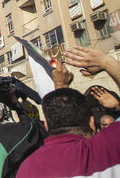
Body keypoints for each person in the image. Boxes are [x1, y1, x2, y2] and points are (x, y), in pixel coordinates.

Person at [16, 47, 120, 178]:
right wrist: (106, 62)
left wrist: (60, 86)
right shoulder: (109, 148)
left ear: (47, 125)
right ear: (92, 123)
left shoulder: (29, 168)